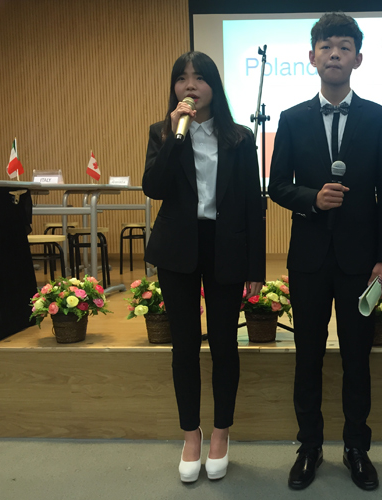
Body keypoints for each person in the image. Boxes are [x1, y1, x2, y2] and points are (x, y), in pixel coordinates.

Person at [268, 12, 382, 492]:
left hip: (361, 261)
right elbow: (277, 185)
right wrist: (312, 199)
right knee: (308, 356)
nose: (335, 54)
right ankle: (310, 446)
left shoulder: (380, 118)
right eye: (326, 47)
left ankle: (356, 447)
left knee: (357, 358)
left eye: (344, 47)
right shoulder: (291, 118)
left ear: (358, 59)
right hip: (308, 259)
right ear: (312, 57)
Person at [142, 51, 264, 483]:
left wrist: (255, 267)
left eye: (199, 77)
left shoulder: (239, 137)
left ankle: (220, 432)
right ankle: (190, 434)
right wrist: (176, 136)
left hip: (225, 247)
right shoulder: (163, 132)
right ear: (174, 87)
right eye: (182, 78)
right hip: (178, 248)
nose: (190, 85)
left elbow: (252, 204)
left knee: (225, 345)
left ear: (214, 85)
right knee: (185, 346)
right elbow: (154, 187)